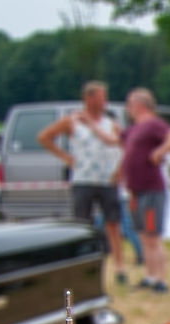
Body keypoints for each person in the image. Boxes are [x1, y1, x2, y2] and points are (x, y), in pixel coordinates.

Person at [37, 81, 126, 284]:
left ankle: (120, 266)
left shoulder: (110, 123)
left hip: (106, 179)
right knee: (82, 223)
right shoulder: (72, 121)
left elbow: (123, 144)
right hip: (83, 178)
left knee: (113, 223)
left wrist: (119, 170)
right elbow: (44, 137)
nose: (105, 102)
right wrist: (66, 157)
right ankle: (83, 264)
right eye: (101, 98)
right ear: (89, 98)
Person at [120, 88, 170, 293]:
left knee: (153, 235)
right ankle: (150, 275)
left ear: (141, 105)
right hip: (135, 190)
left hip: (151, 189)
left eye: (130, 104)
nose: (128, 108)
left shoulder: (153, 124)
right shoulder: (134, 128)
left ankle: (160, 279)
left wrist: (159, 151)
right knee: (142, 234)